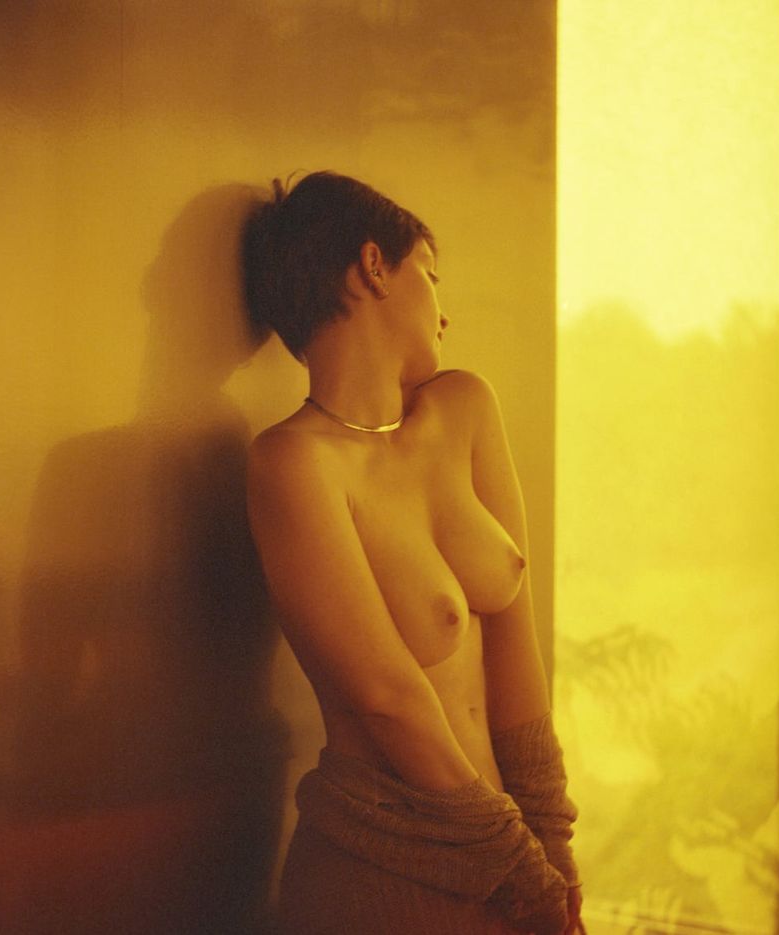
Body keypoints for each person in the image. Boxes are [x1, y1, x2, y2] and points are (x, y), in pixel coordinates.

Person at [241, 171, 582, 935]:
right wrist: (521, 871)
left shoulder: (466, 409)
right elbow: (385, 697)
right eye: (430, 274)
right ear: (374, 265)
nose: (443, 309)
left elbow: (516, 643)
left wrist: (553, 847)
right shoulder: (294, 463)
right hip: (381, 871)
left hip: (509, 862)